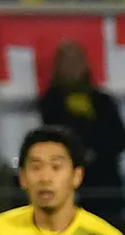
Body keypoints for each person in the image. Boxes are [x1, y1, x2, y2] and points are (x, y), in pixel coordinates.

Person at [40, 40, 125, 224]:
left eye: (76, 61)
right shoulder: (51, 102)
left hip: (106, 186)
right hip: (69, 186)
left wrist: (96, 151)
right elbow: (57, 136)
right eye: (67, 62)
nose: (72, 67)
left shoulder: (103, 101)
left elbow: (118, 138)